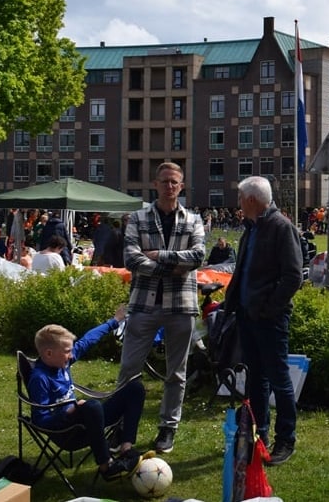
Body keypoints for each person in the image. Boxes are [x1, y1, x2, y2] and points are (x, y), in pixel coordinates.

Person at [118, 162, 206, 454]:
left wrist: (158, 256)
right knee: (129, 369)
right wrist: (169, 267)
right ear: (155, 184)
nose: (169, 187)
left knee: (176, 372)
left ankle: (168, 427)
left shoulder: (193, 220)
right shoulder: (137, 218)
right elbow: (130, 258)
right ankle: (121, 427)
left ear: (181, 187)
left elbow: (197, 257)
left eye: (175, 182)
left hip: (180, 306)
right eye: (165, 181)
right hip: (144, 304)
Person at [223, 175, 302, 466]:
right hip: (248, 316)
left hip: (269, 319)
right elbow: (244, 271)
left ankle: (285, 439)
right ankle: (259, 436)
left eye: (241, 199)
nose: (239, 205)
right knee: (256, 379)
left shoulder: (280, 227)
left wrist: (269, 308)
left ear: (252, 200)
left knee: (279, 380)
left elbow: (293, 276)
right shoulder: (252, 229)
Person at [29, 305, 146, 481]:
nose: (71, 355)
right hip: (68, 433)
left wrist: (114, 322)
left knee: (135, 389)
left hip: (89, 422)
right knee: (91, 406)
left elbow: (87, 340)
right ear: (49, 353)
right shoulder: (40, 378)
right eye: (67, 351)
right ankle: (106, 465)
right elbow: (40, 420)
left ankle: (126, 448)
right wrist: (69, 412)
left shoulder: (62, 362)